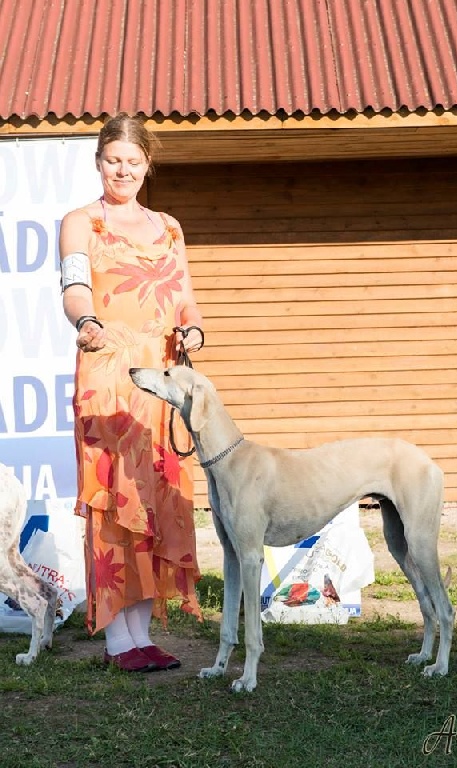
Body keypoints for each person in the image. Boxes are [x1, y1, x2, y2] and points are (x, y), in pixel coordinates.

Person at [59, 113, 204, 672]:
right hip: (108, 370)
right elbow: (74, 287)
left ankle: (143, 633)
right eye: (113, 160)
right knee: (114, 500)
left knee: (158, 498)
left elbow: (185, 296)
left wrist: (194, 326)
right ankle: (119, 641)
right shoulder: (80, 223)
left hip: (163, 379)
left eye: (133, 161)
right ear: (99, 161)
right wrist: (86, 322)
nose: (123, 170)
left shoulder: (169, 226)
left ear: (147, 166)